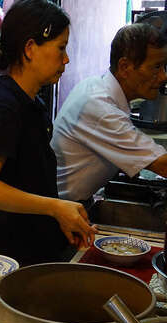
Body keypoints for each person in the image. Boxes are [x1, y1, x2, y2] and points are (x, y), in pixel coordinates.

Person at [0, 0, 96, 266]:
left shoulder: (32, 103)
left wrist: (60, 219)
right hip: (3, 260)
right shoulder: (2, 108)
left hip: (31, 251)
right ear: (30, 49)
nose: (66, 58)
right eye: (61, 48)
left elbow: (29, 179)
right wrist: (55, 207)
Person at [51, 23, 167, 204]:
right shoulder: (100, 107)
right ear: (125, 67)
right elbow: (163, 165)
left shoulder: (97, 86)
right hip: (55, 212)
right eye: (156, 67)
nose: (163, 77)